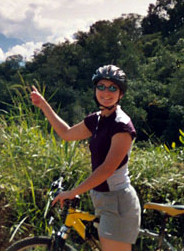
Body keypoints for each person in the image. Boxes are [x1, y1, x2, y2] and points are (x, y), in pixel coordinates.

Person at [30, 65, 141, 251]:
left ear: (121, 94)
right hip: (103, 199)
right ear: (95, 89)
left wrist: (73, 191)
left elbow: (107, 169)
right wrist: (43, 105)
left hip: (118, 202)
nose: (106, 92)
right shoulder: (97, 119)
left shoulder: (122, 126)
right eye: (101, 86)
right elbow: (66, 133)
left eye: (113, 88)